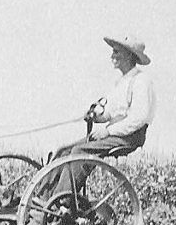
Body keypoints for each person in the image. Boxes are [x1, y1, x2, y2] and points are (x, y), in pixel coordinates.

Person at [52, 33, 155, 194]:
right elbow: (110, 113)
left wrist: (108, 130)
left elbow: (139, 118)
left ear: (128, 55)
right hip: (115, 133)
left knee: (80, 152)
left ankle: (62, 201)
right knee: (63, 151)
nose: (112, 56)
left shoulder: (141, 81)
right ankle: (41, 200)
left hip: (130, 136)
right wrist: (97, 116)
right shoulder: (121, 82)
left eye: (116, 52)